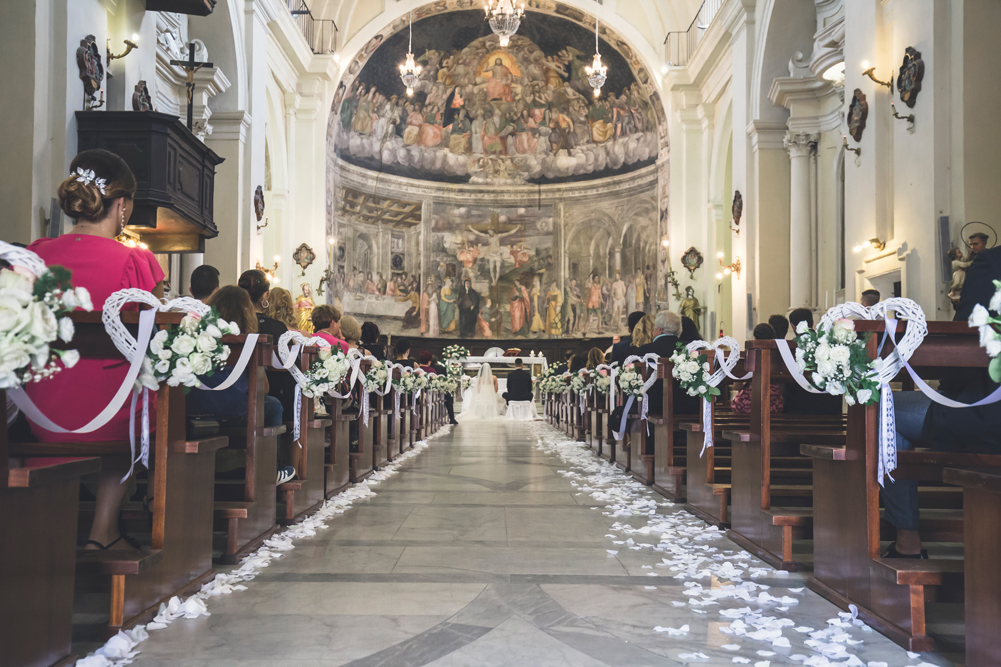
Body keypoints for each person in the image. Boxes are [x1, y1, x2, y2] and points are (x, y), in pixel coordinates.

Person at [25, 148, 164, 551]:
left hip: (41, 406)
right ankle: (102, 532)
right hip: (108, 413)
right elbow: (153, 341)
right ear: (122, 206)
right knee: (140, 397)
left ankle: (43, 530)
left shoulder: (35, 255)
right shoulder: (137, 263)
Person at [881, 245, 1001, 558]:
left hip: (988, 417)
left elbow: (968, 333)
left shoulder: (993, 261)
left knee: (885, 407)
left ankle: (908, 539)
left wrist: (947, 388)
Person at [192, 286, 293, 485]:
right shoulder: (248, 341)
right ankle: (271, 469)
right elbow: (264, 389)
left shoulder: (198, 335)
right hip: (235, 410)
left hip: (196, 408)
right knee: (274, 405)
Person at [238, 270, 298, 468]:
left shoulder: (228, 323)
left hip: (226, 391)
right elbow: (286, 365)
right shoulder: (275, 327)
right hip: (262, 392)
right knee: (278, 399)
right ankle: (274, 467)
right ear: (265, 296)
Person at [785, 308, 842, 415]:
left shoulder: (789, 349)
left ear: (793, 326)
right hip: (829, 407)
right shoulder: (827, 343)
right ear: (813, 323)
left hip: (798, 408)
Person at [731, 324, 784, 414]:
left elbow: (737, 386)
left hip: (750, 399)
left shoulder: (750, 357)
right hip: (773, 400)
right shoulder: (777, 356)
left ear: (755, 338)